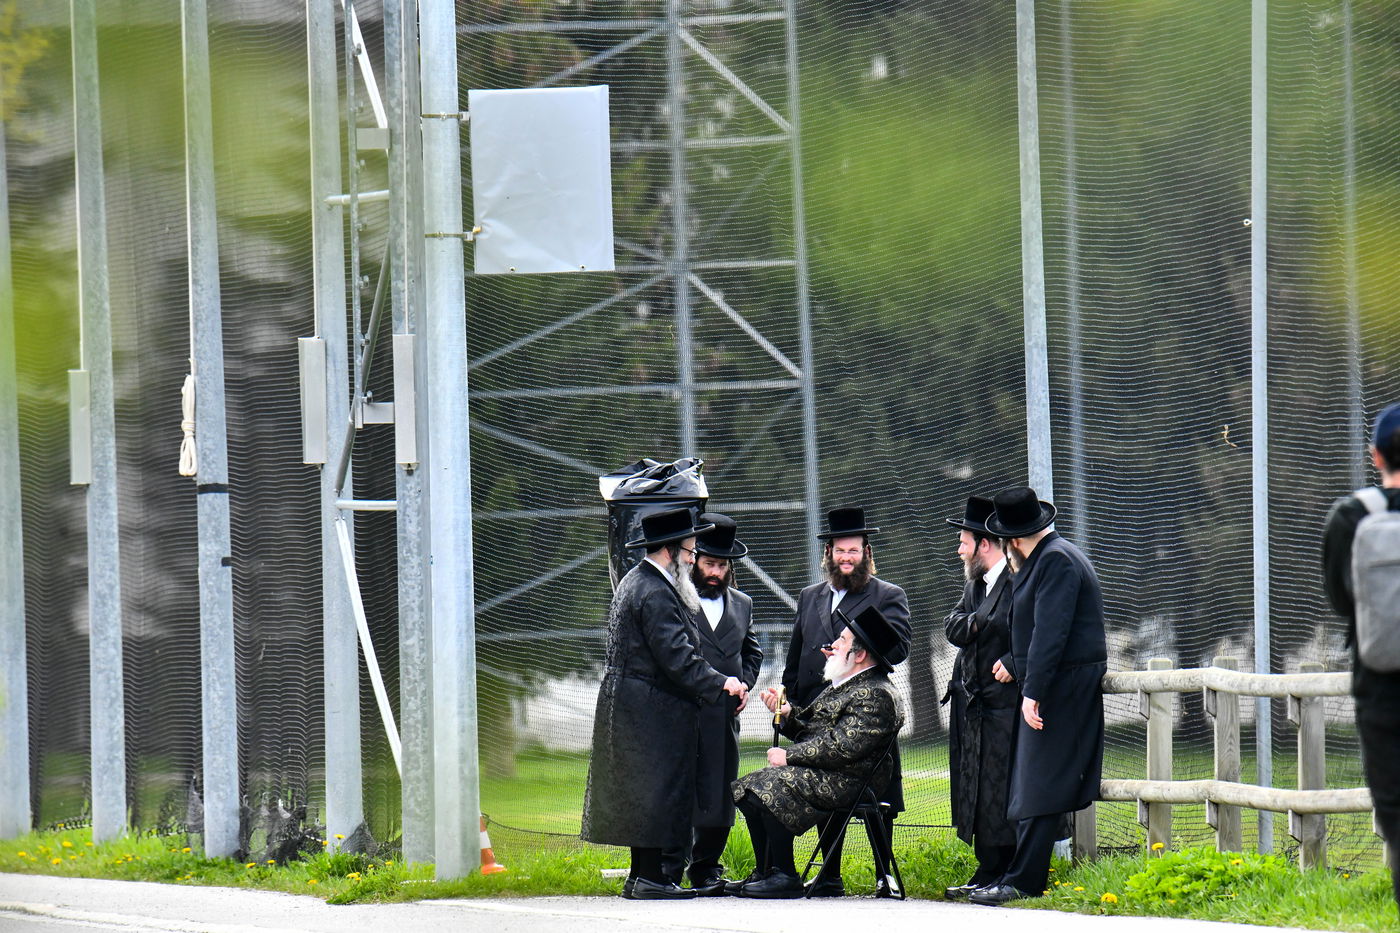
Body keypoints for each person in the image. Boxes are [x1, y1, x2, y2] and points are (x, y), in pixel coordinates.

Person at [581, 507, 748, 900]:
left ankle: (643, 876)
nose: (693, 558)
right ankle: (652, 879)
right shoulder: (655, 591)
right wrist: (722, 683)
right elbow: (677, 657)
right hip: (650, 707)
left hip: (634, 704)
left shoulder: (636, 581)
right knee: (655, 790)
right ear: (671, 551)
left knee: (644, 790)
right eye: (689, 550)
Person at [970, 486, 1106, 907]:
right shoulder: (1047, 558)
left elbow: (1051, 634)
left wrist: (1033, 693)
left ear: (1011, 539)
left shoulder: (1056, 562)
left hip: (1060, 688)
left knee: (1041, 783)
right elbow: (1037, 630)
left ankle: (1026, 880)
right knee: (1033, 782)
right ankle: (1018, 875)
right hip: (1052, 683)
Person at [731, 605, 906, 899]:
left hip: (854, 781)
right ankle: (766, 872)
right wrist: (786, 714)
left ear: (860, 654)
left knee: (770, 785)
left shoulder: (876, 693)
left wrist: (789, 756)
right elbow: (811, 730)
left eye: (842, 641)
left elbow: (841, 746)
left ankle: (785, 876)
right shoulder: (846, 685)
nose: (833, 645)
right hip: (831, 772)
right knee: (749, 788)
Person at [780, 506, 911, 897]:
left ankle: (883, 874)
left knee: (877, 794)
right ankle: (829, 875)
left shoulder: (887, 595)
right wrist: (788, 697)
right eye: (840, 552)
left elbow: (899, 649)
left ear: (866, 553)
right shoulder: (810, 596)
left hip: (863, 713)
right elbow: (795, 653)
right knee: (824, 789)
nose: (847, 559)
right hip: (814, 709)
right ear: (829, 555)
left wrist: (858, 642)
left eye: (854, 551)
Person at [1321, 402, 1400, 916]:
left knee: (1395, 807)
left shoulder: (1353, 515)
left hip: (1381, 683)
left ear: (1375, 455)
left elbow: (1342, 599)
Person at [660, 513, 763, 895]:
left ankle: (706, 869)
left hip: (723, 716)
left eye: (722, 565)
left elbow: (752, 654)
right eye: (709, 564)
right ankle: (670, 866)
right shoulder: (675, 600)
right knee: (682, 789)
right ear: (695, 561)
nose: (716, 572)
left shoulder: (743, 603)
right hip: (684, 711)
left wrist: (744, 686)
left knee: (721, 793)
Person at [941, 495, 1018, 899]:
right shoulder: (975, 584)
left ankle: (1006, 870)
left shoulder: (1018, 580)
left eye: (963, 541)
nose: (959, 549)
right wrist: (976, 622)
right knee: (975, 787)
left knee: (1000, 788)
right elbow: (952, 626)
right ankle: (986, 869)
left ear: (984, 544)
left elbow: (1033, 630)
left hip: (1006, 707)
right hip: (973, 707)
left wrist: (1014, 661)